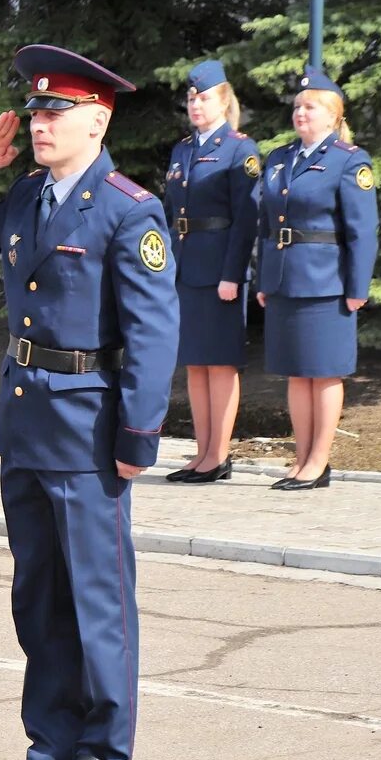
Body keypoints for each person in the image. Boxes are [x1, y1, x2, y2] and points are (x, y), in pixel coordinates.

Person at [0, 44, 179, 760]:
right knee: (37, 595)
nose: (41, 124)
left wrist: (139, 435)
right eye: (37, 111)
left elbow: (151, 333)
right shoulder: (26, 197)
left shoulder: (127, 211)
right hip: (26, 423)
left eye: (56, 112)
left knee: (96, 597)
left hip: (88, 425)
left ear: (97, 121)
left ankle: (103, 750)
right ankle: (49, 740)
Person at [255, 67, 378, 491]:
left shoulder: (348, 160)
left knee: (324, 372)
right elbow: (265, 224)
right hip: (285, 278)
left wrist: (357, 288)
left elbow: (363, 230)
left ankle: (319, 461)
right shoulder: (280, 159)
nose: (300, 113)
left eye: (310, 107)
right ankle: (301, 456)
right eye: (297, 106)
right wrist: (263, 277)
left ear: (332, 116)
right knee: (295, 371)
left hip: (328, 282)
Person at [162, 60, 260, 484]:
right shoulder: (183, 149)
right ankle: (202, 453)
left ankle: (219, 455)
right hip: (185, 266)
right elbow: (170, 214)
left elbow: (246, 219)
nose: (195, 105)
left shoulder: (240, 149)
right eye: (191, 98)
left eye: (203, 98)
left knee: (220, 364)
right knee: (195, 365)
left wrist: (233, 274)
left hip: (219, 266)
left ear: (223, 100)